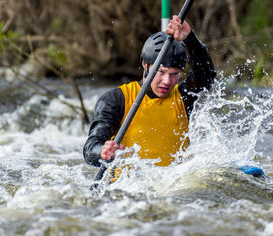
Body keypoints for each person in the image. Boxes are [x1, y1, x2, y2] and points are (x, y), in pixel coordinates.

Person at [83, 15, 216, 179]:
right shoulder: (116, 99)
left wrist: (190, 39)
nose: (167, 81)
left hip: (174, 190)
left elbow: (207, 75)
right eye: (161, 72)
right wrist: (102, 151)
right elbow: (90, 149)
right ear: (145, 65)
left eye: (174, 74)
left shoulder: (184, 97)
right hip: (127, 192)